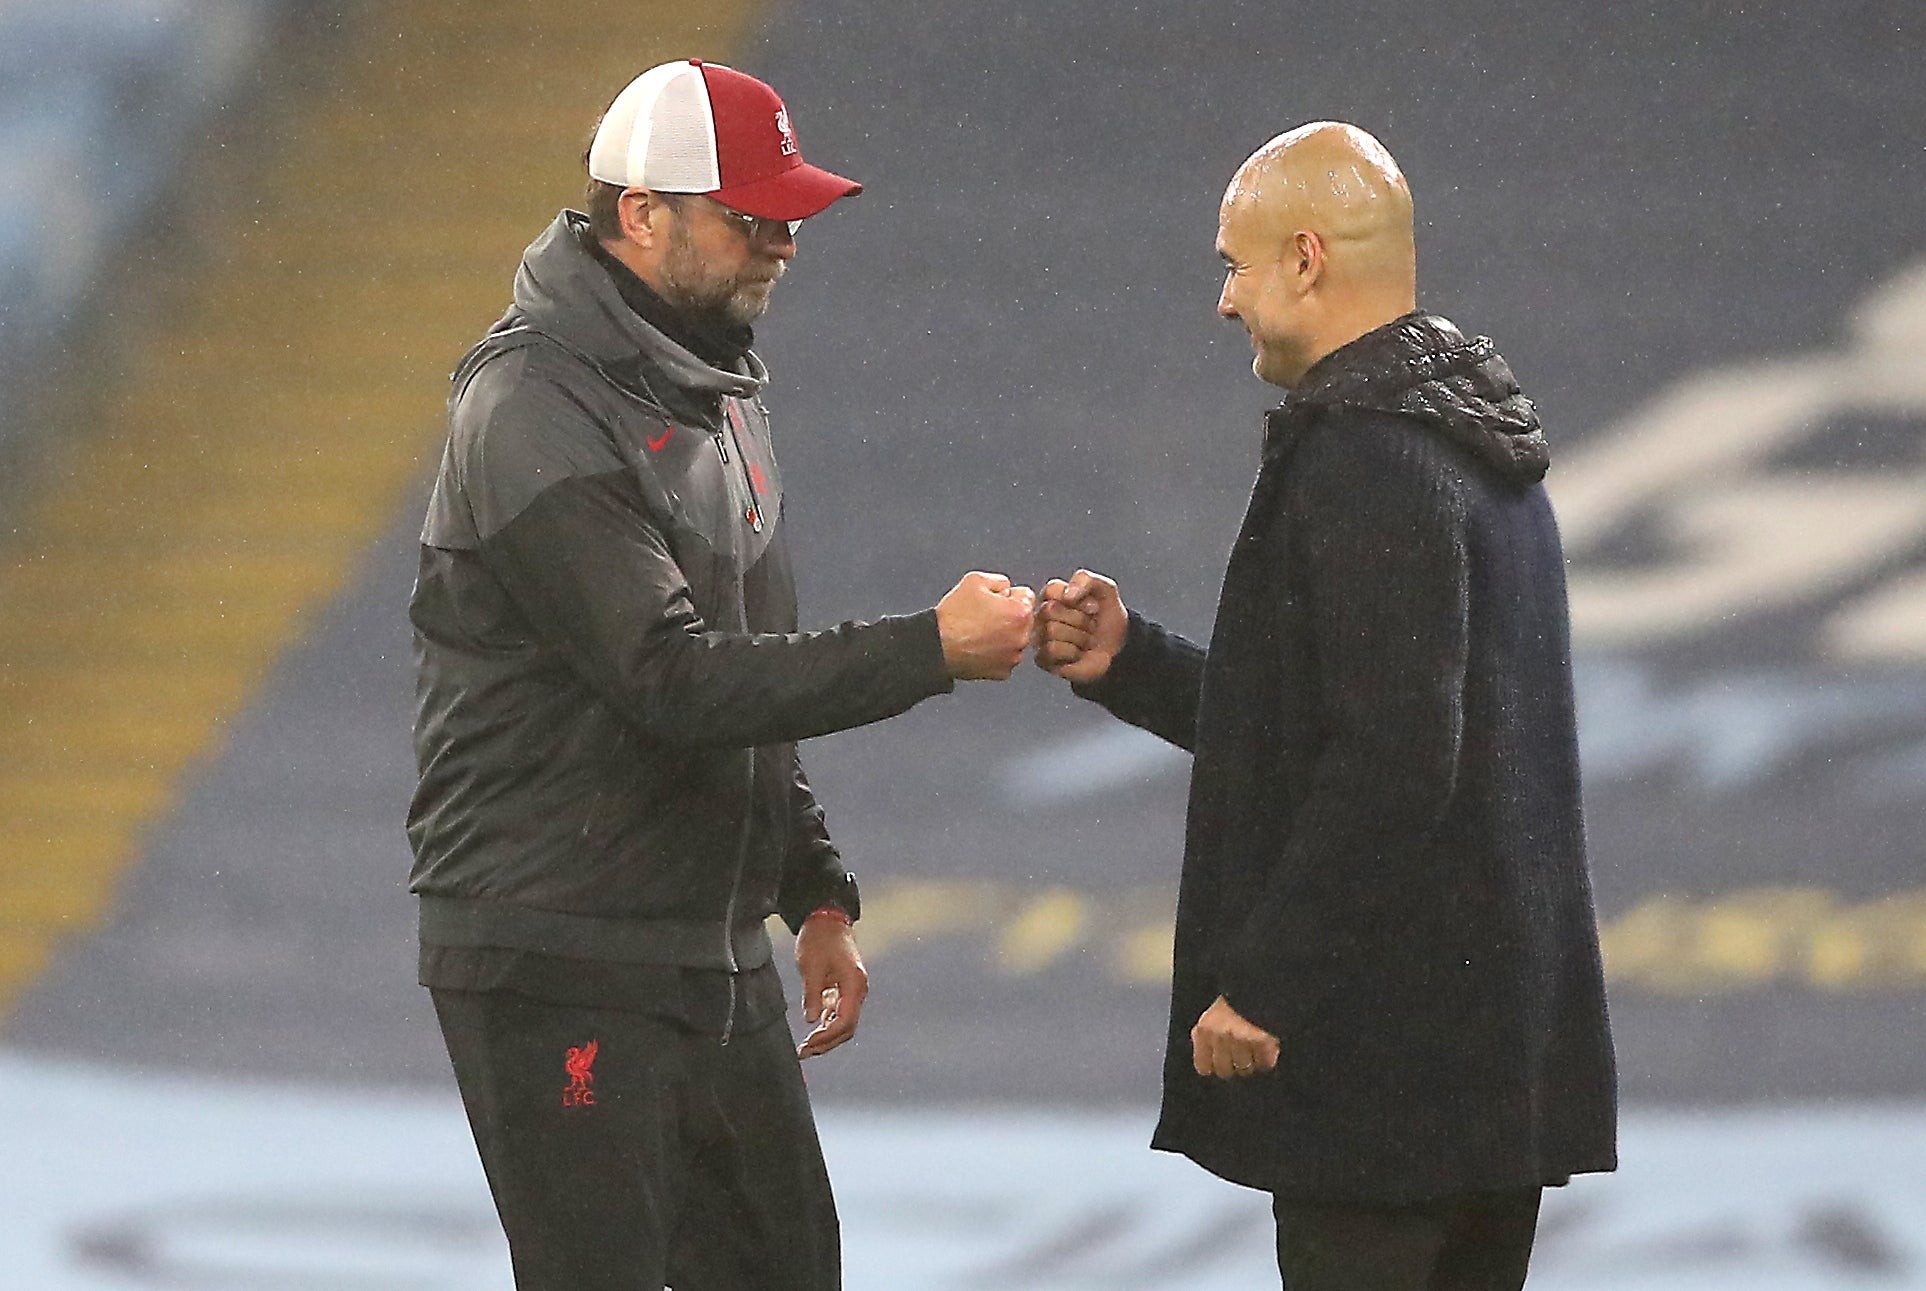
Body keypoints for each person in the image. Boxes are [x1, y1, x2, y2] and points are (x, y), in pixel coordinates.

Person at [405, 60, 1035, 1291]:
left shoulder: (716, 384)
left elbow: (735, 655)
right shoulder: (532, 400)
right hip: (561, 948)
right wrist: (930, 650)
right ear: (642, 212)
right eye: (751, 215)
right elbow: (676, 683)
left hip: (700, 943)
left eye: (791, 214)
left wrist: (816, 891)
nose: (784, 242)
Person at [1034, 121, 1617, 1289]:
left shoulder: (1365, 456)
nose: (1224, 303)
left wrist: (1268, 975)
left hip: (1387, 1074)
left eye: (1234, 267)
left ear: (1305, 257)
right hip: (1490, 1053)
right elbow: (1337, 723)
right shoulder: (1469, 435)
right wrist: (1131, 661)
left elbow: (1396, 757)